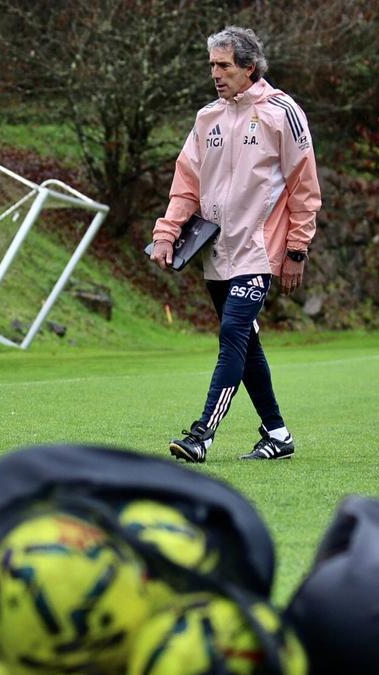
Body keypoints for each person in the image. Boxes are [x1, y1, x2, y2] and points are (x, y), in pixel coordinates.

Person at [150, 26, 321, 463]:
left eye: (224, 65)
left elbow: (305, 189)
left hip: (259, 252)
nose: (216, 73)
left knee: (232, 335)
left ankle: (202, 434)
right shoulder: (207, 118)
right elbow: (186, 186)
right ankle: (278, 434)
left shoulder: (283, 113)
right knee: (246, 344)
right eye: (212, 65)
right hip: (215, 255)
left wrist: (297, 249)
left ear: (249, 66)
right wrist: (166, 234)